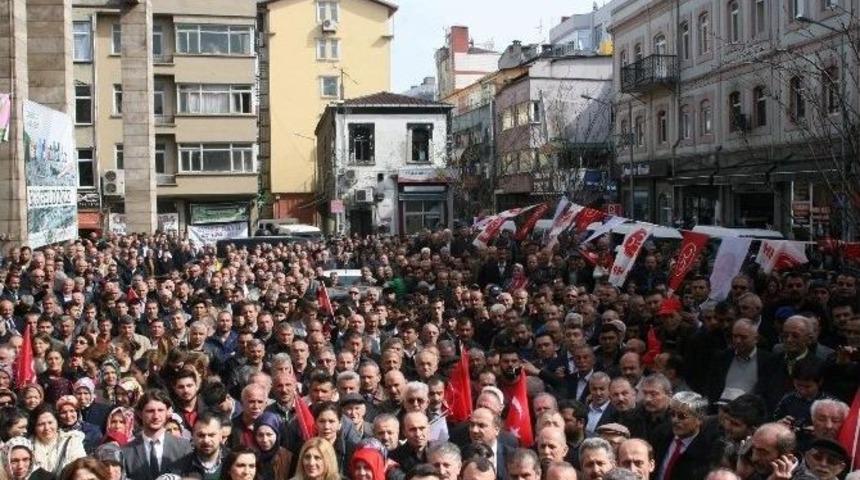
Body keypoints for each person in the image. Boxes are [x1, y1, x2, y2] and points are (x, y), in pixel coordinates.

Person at [121, 390, 192, 480]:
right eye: (150, 411)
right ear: (139, 413)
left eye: (160, 410)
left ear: (167, 412)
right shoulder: (126, 451)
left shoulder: (183, 447)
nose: (156, 416)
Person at [29, 406, 86, 476]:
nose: (46, 428)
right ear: (34, 427)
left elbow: (80, 470)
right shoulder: (27, 445)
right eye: (41, 424)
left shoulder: (72, 441)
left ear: (57, 422)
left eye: (50, 423)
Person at [252, 412, 289, 480]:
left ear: (277, 435)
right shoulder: (251, 457)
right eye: (260, 435)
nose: (265, 440)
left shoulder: (288, 458)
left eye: (269, 434)